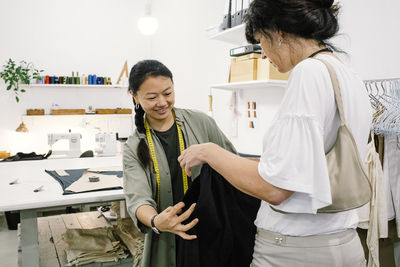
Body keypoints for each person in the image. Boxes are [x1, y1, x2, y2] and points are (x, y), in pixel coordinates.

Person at [178, 0, 372, 266]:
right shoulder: (345, 74)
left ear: (278, 32)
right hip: (344, 244)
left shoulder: (308, 72)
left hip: (295, 251)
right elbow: (301, 168)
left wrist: (210, 152)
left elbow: (276, 189)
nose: (264, 56)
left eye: (260, 42)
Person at [123, 59, 236, 267]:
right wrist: (157, 221)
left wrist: (210, 154)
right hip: (166, 239)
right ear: (135, 96)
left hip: (212, 234)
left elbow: (233, 164)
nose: (162, 102)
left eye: (168, 93)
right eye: (152, 97)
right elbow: (138, 199)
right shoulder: (133, 146)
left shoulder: (202, 122)